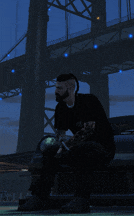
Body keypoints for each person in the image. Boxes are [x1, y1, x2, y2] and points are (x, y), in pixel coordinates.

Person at [17, 73, 116, 213]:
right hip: (78, 148)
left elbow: (89, 130)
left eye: (59, 88)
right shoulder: (61, 108)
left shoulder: (89, 101)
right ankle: (40, 197)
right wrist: (59, 145)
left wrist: (66, 147)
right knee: (50, 151)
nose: (56, 91)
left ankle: (81, 199)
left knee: (85, 148)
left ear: (70, 88)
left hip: (102, 147)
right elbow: (60, 134)